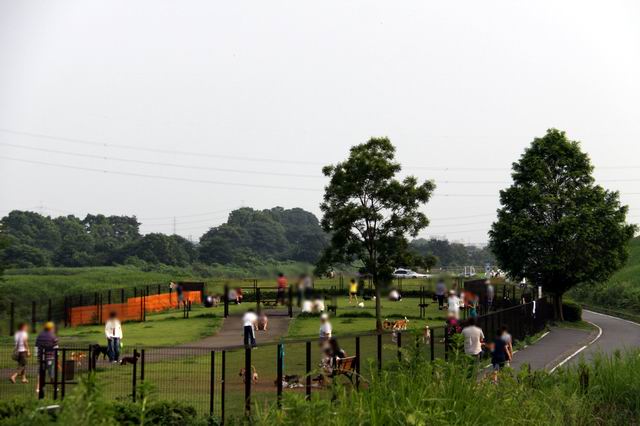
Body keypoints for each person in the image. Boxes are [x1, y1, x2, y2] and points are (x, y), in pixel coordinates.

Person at [35, 322, 58, 391]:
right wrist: (57, 356)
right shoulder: (53, 336)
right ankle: (55, 387)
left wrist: (37, 356)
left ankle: (38, 388)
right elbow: (56, 348)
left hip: (41, 357)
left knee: (40, 373)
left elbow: (36, 347)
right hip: (50, 357)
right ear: (51, 328)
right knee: (51, 373)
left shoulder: (39, 336)